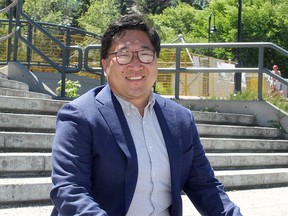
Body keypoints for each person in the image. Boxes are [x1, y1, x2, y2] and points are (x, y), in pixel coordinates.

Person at [50, 14, 242, 216]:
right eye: (123, 55)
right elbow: (69, 190)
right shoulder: (80, 116)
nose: (136, 65)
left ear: (156, 61)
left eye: (145, 54)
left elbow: (205, 186)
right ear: (105, 65)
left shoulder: (181, 119)